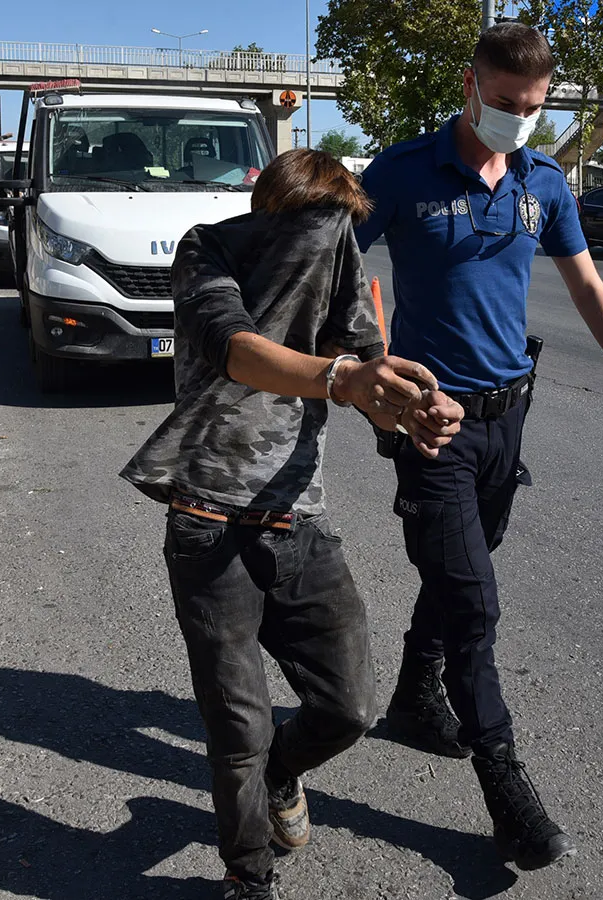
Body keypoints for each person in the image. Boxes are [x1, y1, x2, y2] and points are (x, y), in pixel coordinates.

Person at [354, 22, 603, 872]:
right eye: (503, 103)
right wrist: (375, 372)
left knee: (463, 564)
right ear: (470, 85)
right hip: (432, 425)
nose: (518, 120)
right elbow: (334, 268)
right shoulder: (402, 173)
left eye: (532, 108)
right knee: (475, 604)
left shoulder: (542, 181)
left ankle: (416, 695)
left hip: (507, 420)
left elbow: (588, 283)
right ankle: (506, 788)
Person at [120, 148, 467, 900]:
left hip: (297, 523)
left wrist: (413, 411)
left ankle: (283, 772)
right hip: (208, 524)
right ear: (270, 213)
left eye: (340, 231)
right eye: (315, 227)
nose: (329, 246)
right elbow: (237, 351)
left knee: (349, 706)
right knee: (236, 729)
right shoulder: (207, 249)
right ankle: (249, 876)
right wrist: (341, 377)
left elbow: (371, 371)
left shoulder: (340, 267)